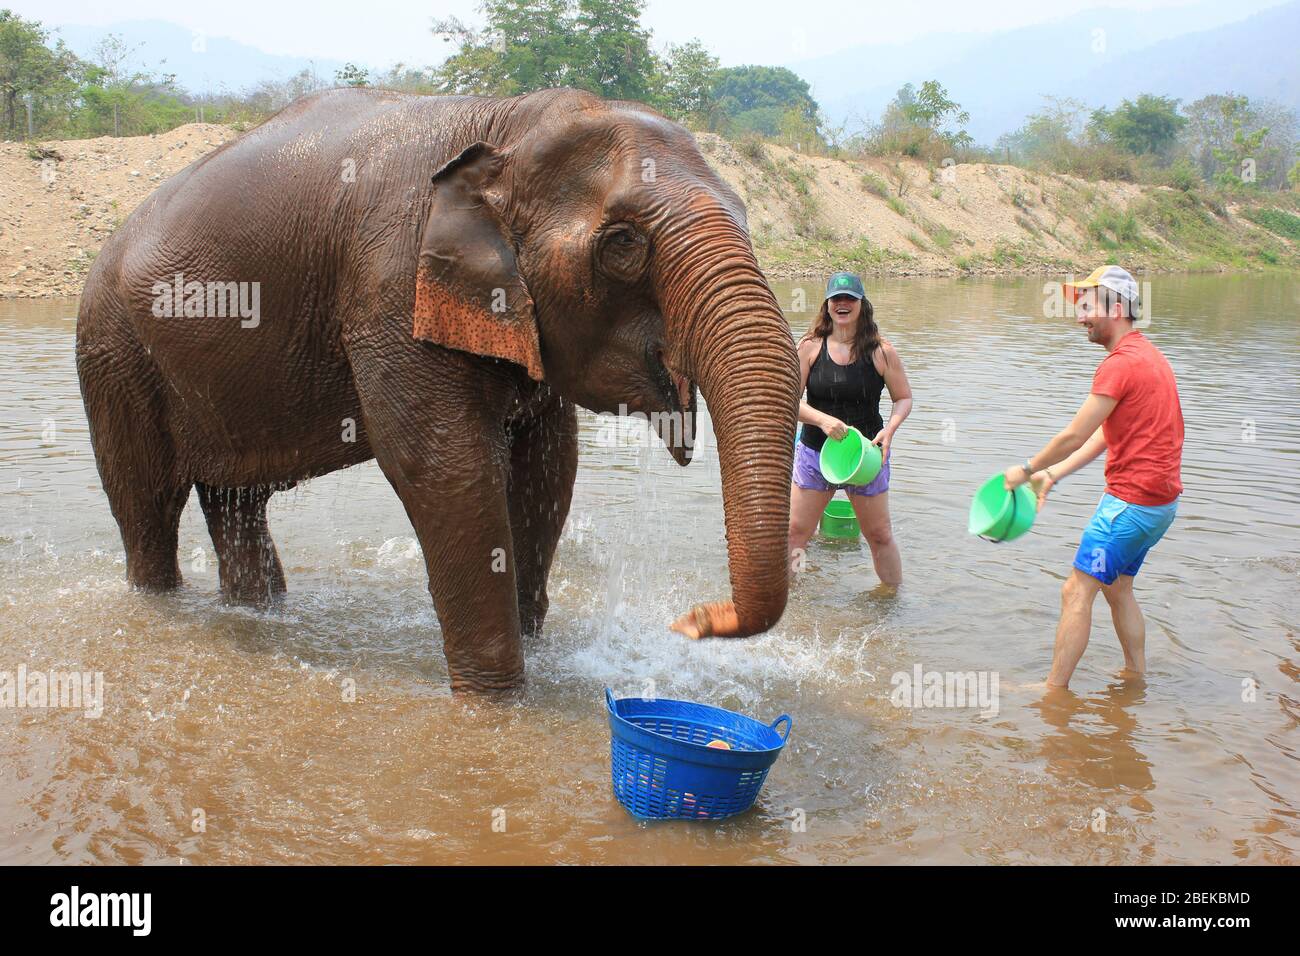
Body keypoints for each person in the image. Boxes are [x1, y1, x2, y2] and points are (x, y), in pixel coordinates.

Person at [1003, 265, 1183, 690]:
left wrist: (1026, 469)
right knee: (1118, 588)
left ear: (1116, 308)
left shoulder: (1119, 365)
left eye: (1088, 308)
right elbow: (1107, 433)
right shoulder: (1149, 356)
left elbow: (1074, 433)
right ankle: (1135, 677)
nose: (1080, 318)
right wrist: (1052, 475)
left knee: (1076, 591)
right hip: (1159, 507)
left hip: (1130, 505)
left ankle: (1052, 692)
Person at [789, 272, 912, 587]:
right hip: (817, 453)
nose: (842, 304)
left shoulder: (881, 351)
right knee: (795, 532)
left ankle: (891, 602)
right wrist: (822, 420)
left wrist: (891, 430)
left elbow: (904, 398)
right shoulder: (809, 347)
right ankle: (788, 599)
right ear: (828, 304)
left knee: (880, 535)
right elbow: (787, 400)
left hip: (867, 455)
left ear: (861, 304)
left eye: (849, 299)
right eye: (836, 299)